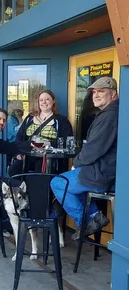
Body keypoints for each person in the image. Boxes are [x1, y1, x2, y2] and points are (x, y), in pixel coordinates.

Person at [51, 77, 118, 240]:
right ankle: (95, 215)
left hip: (102, 172)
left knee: (59, 183)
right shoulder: (112, 113)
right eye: (94, 92)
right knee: (73, 186)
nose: (96, 95)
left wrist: (77, 163)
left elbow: (95, 147)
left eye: (101, 91)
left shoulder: (110, 115)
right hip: (105, 169)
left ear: (113, 94)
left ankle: (87, 221)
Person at [9, 90, 73, 175]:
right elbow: (19, 138)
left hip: (50, 161)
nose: (44, 102)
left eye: (47, 99)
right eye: (41, 100)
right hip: (28, 160)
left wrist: (49, 143)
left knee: (42, 182)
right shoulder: (29, 118)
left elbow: (69, 142)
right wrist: (18, 153)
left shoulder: (62, 120)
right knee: (16, 174)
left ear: (53, 101)